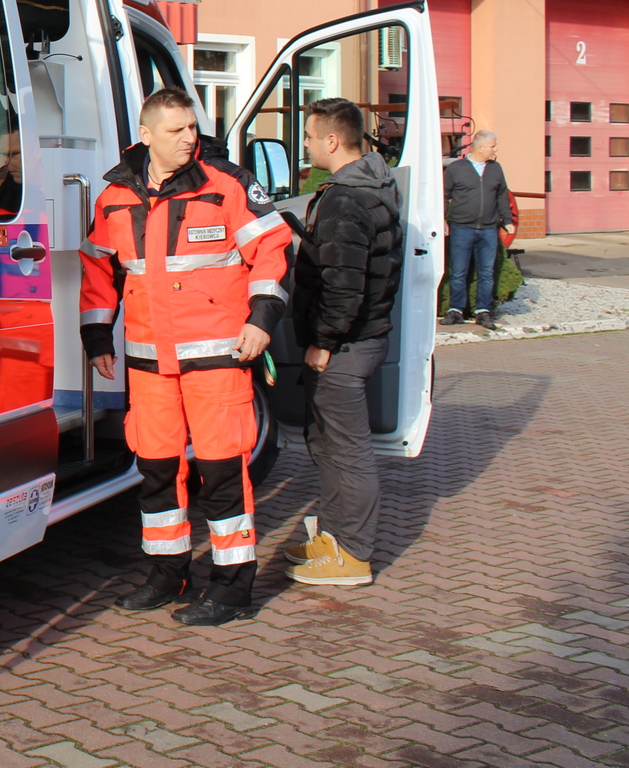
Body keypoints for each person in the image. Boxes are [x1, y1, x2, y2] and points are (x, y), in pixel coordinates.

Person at [80, 87, 293, 626]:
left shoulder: (227, 184)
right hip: (148, 363)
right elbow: (97, 269)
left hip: (216, 358)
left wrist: (261, 320)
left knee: (221, 474)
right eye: (175, 130)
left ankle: (233, 588)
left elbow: (272, 248)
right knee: (155, 470)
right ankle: (167, 573)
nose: (188, 138)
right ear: (145, 135)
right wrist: (97, 338)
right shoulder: (114, 196)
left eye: (191, 128)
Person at [283, 98, 403, 589]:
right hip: (362, 340)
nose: (307, 145)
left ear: (332, 141)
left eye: (310, 137)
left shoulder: (344, 200)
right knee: (328, 444)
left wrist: (324, 342)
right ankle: (332, 537)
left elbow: (343, 284)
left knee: (345, 450)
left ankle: (352, 555)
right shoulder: (372, 183)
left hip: (345, 347)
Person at [443, 131, 515, 326]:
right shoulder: (456, 169)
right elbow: (444, 194)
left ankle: (483, 311)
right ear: (480, 147)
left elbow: (502, 195)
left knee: (486, 272)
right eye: (493, 146)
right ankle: (456, 310)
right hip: (461, 228)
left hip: (488, 229)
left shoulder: (495, 169)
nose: (495, 149)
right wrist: (442, 219)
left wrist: (507, 220)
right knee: (458, 271)